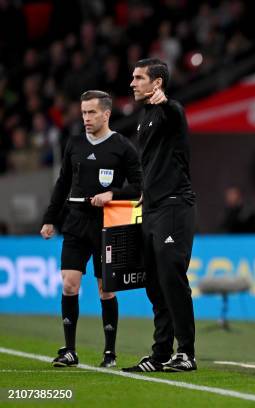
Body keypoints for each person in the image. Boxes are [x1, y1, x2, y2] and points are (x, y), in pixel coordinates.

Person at [40, 90, 142, 368]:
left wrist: (113, 194)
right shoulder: (73, 144)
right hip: (76, 222)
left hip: (107, 226)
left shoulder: (123, 147)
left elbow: (139, 186)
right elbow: (62, 183)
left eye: (92, 112)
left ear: (106, 114)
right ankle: (69, 350)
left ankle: (109, 353)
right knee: (69, 284)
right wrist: (49, 218)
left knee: (105, 290)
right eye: (84, 112)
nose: (86, 118)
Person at [122, 58, 198, 373]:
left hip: (174, 206)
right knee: (154, 282)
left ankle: (187, 353)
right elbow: (151, 162)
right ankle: (160, 353)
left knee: (171, 276)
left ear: (157, 83)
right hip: (152, 208)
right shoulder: (146, 116)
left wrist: (165, 103)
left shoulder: (170, 112)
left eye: (139, 77)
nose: (132, 83)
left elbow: (173, 113)